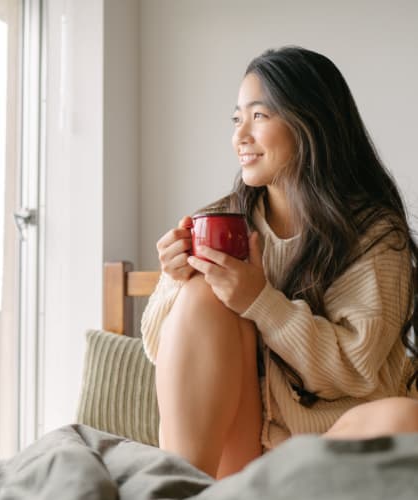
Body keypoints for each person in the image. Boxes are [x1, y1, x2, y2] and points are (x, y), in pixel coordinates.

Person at [140, 46, 418, 480]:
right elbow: (162, 350)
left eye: (259, 116)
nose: (240, 136)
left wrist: (260, 301)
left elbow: (357, 370)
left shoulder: (375, 234)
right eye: (237, 119)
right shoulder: (223, 221)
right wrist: (174, 280)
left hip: (327, 455)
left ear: (312, 123)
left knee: (404, 419)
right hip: (243, 455)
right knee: (201, 294)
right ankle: (179, 488)